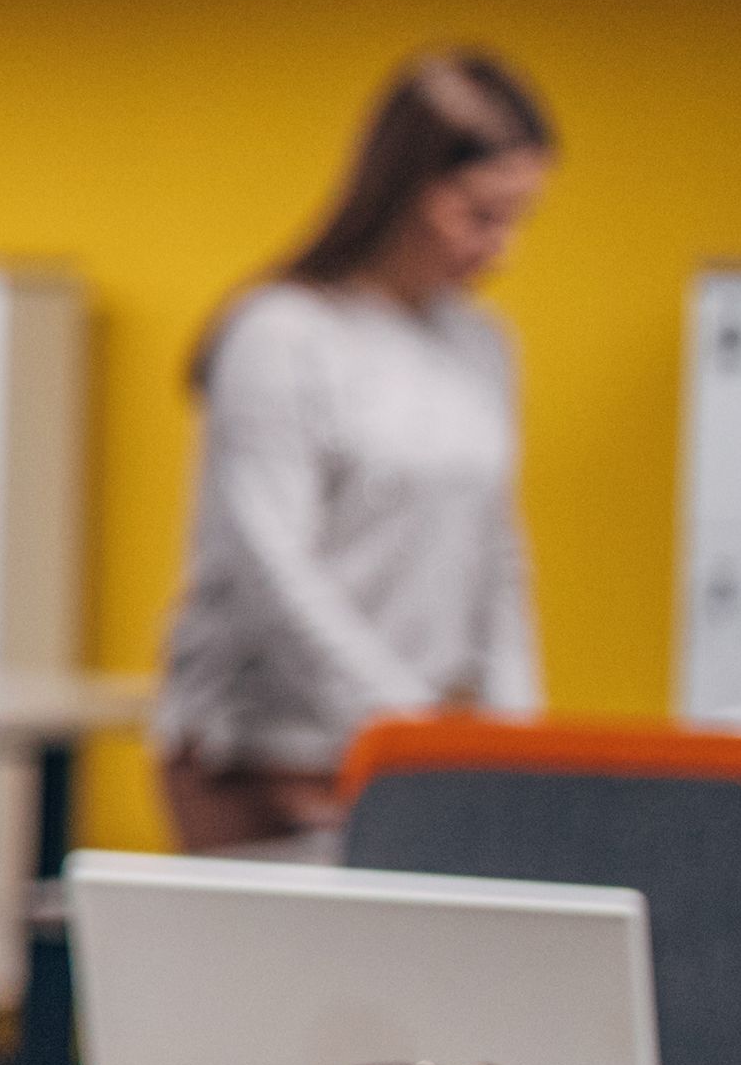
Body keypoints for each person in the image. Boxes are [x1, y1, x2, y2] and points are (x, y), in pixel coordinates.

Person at [156, 47, 557, 854]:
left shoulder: (481, 346)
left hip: (410, 750)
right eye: (480, 215)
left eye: (518, 219)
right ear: (407, 189)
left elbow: (494, 552)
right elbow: (272, 572)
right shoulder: (283, 335)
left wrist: (519, 741)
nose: (502, 248)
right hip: (270, 756)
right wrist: (402, 729)